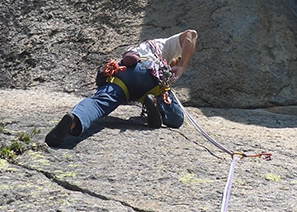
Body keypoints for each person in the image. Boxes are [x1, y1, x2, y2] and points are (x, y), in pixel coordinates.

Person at [45, 29, 198, 147]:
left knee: (97, 103)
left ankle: (74, 120)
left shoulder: (137, 48)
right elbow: (191, 35)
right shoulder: (163, 46)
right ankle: (155, 103)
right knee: (176, 118)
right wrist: (182, 66)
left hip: (122, 75)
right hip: (149, 76)